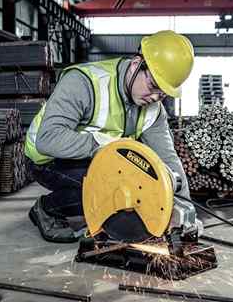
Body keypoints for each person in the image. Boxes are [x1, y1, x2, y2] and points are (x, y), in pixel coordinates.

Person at [24, 30, 194, 243]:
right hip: (46, 159)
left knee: (134, 178)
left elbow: (168, 160)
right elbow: (47, 140)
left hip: (92, 158)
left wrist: (184, 207)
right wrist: (99, 143)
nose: (154, 97)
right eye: (152, 86)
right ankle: (47, 208)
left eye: (163, 94)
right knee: (104, 188)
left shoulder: (153, 109)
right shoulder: (84, 82)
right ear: (135, 64)